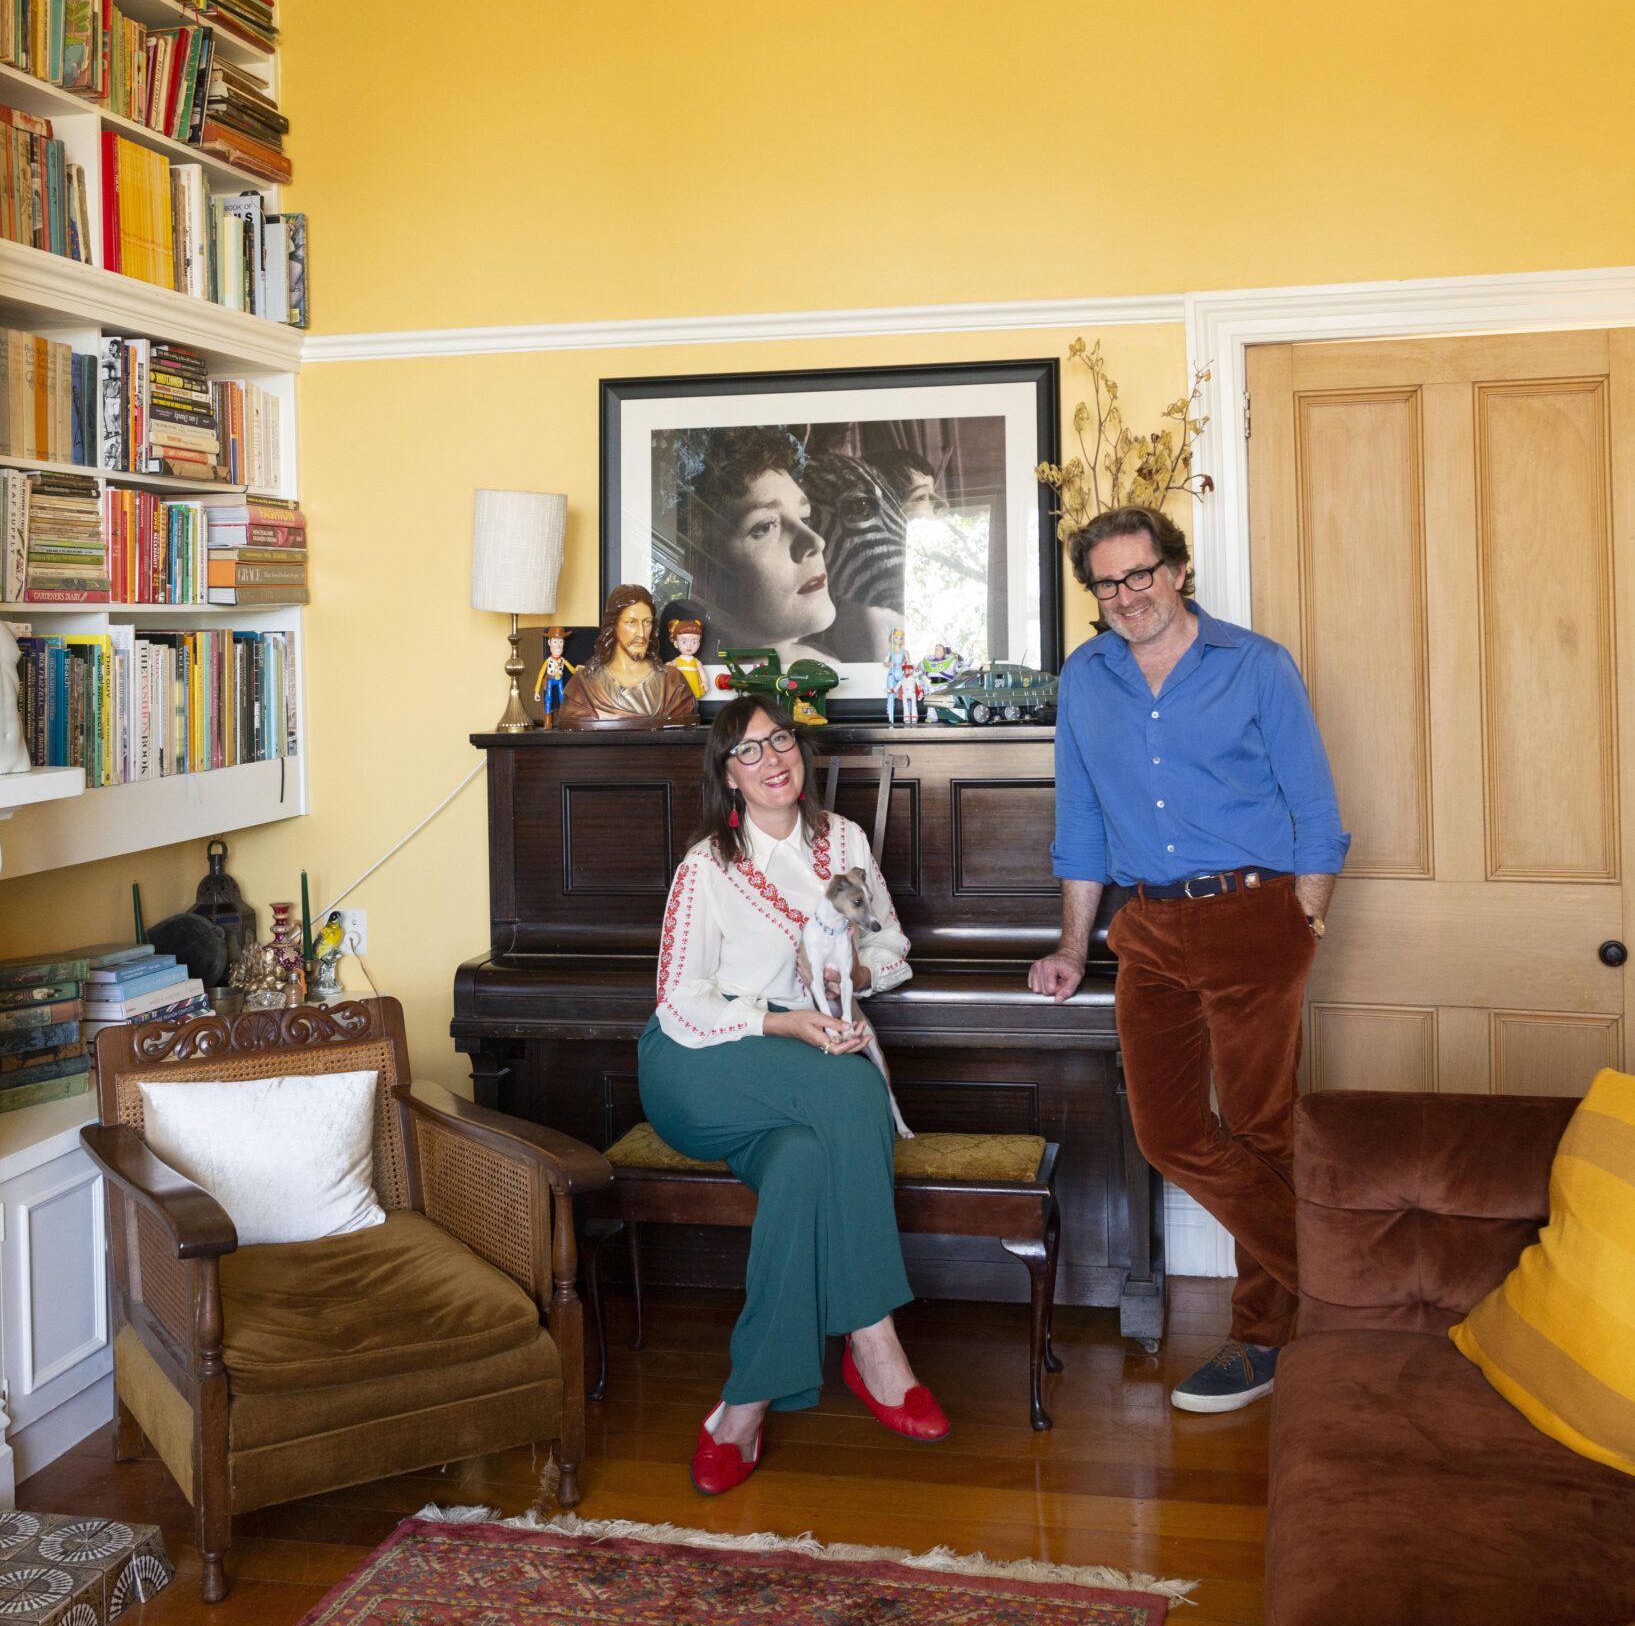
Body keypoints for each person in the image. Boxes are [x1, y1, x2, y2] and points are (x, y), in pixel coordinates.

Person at [1028, 505, 1349, 1414]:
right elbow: (1081, 825)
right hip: (1147, 929)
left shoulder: (1255, 664)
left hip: (1256, 917)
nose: (1126, 597)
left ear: (1175, 569)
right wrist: (1068, 946)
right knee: (1167, 1132)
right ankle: (1355, 1285)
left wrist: (1305, 925)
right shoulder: (1086, 680)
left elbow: (1315, 811)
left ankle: (1260, 1339)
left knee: (1260, 1130)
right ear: (1091, 593)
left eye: (1140, 575)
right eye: (1106, 584)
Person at [640, 693, 951, 1491]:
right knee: (849, 1095)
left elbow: (890, 942)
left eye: (780, 741)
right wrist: (787, 1024)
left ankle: (741, 1405)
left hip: (803, 1071)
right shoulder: (706, 866)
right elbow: (679, 999)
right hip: (705, 1061)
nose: (771, 759)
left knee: (805, 1163)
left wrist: (856, 973)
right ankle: (874, 1343)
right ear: (728, 776)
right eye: (748, 751)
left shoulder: (842, 840)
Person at [681, 428, 837, 659]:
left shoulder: (832, 665)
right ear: (700, 577)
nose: (816, 542)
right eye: (765, 527)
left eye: (805, 518)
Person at [556, 585, 698, 729]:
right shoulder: (583, 685)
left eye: (647, 622)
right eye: (631, 622)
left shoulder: (673, 682)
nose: (641, 634)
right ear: (613, 625)